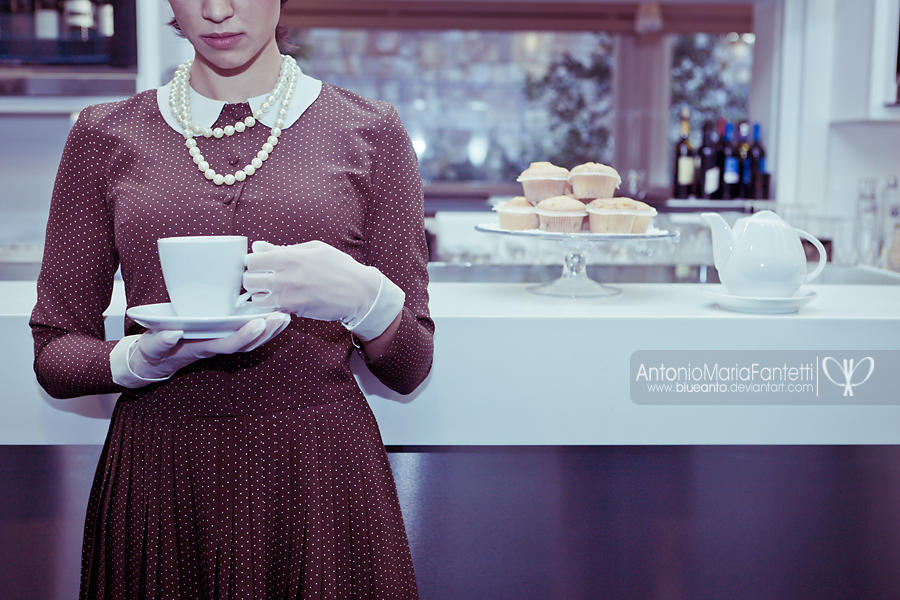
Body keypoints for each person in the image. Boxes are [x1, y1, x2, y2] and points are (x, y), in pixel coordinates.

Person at [28, 0, 433, 597]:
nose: (217, 11)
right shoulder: (104, 133)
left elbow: (410, 365)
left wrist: (363, 298)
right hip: (160, 471)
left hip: (319, 473)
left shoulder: (369, 129)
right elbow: (54, 352)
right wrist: (135, 362)